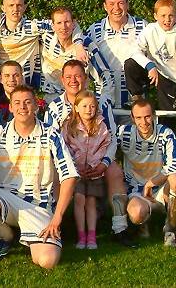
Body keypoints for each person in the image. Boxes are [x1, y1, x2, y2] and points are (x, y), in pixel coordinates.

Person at [0, 85, 78, 269]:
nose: (23, 107)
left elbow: (69, 176)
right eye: (17, 103)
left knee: (47, 261)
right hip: (6, 199)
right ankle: (6, 236)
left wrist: (57, 218)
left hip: (39, 206)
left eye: (28, 102)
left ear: (36, 106)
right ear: (10, 107)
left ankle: (31, 236)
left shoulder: (51, 134)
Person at [44, 60, 136, 247]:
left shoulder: (101, 103)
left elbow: (112, 139)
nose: (73, 80)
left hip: (97, 160)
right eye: (68, 77)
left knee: (115, 171)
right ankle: (54, 224)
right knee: (50, 170)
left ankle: (120, 227)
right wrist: (70, 165)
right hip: (67, 164)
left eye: (78, 76)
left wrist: (104, 162)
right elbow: (49, 143)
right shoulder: (54, 107)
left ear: (85, 78)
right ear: (62, 80)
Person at [118, 99, 176, 246]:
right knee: (136, 214)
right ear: (132, 118)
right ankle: (143, 224)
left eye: (147, 116)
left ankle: (170, 229)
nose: (144, 122)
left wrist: (151, 183)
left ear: (154, 115)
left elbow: (175, 165)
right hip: (137, 189)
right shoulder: (124, 133)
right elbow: (106, 148)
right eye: (139, 118)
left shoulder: (165, 133)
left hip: (162, 188)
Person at [125, 0, 176, 129]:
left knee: (167, 113)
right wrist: (150, 65)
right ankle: (137, 100)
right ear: (155, 16)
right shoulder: (150, 29)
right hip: (154, 70)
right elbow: (135, 50)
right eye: (163, 15)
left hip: (170, 77)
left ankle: (167, 138)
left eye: (171, 15)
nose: (167, 20)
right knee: (130, 64)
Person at [61, 91, 110, 249]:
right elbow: (64, 147)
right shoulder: (69, 126)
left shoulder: (101, 125)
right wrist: (76, 165)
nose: (89, 109)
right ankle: (81, 235)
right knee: (79, 199)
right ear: (76, 107)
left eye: (92, 106)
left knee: (90, 202)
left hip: (94, 171)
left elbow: (105, 145)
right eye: (84, 106)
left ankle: (92, 236)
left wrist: (95, 164)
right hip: (77, 171)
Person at [85, 0, 147, 109]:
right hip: (103, 100)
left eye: (121, 3)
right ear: (105, 6)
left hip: (135, 104)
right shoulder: (94, 30)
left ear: (127, 5)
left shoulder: (143, 27)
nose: (116, 8)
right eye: (111, 4)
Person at [41, 7, 114, 104]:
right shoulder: (45, 37)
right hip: (51, 98)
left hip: (78, 100)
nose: (63, 27)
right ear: (53, 25)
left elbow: (104, 75)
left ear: (73, 23)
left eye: (67, 22)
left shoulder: (86, 46)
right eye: (59, 23)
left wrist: (103, 103)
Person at [0, 61, 25, 125]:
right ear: (0, 79)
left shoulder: (32, 103)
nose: (12, 79)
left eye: (16, 75)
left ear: (22, 78)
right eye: (7, 76)